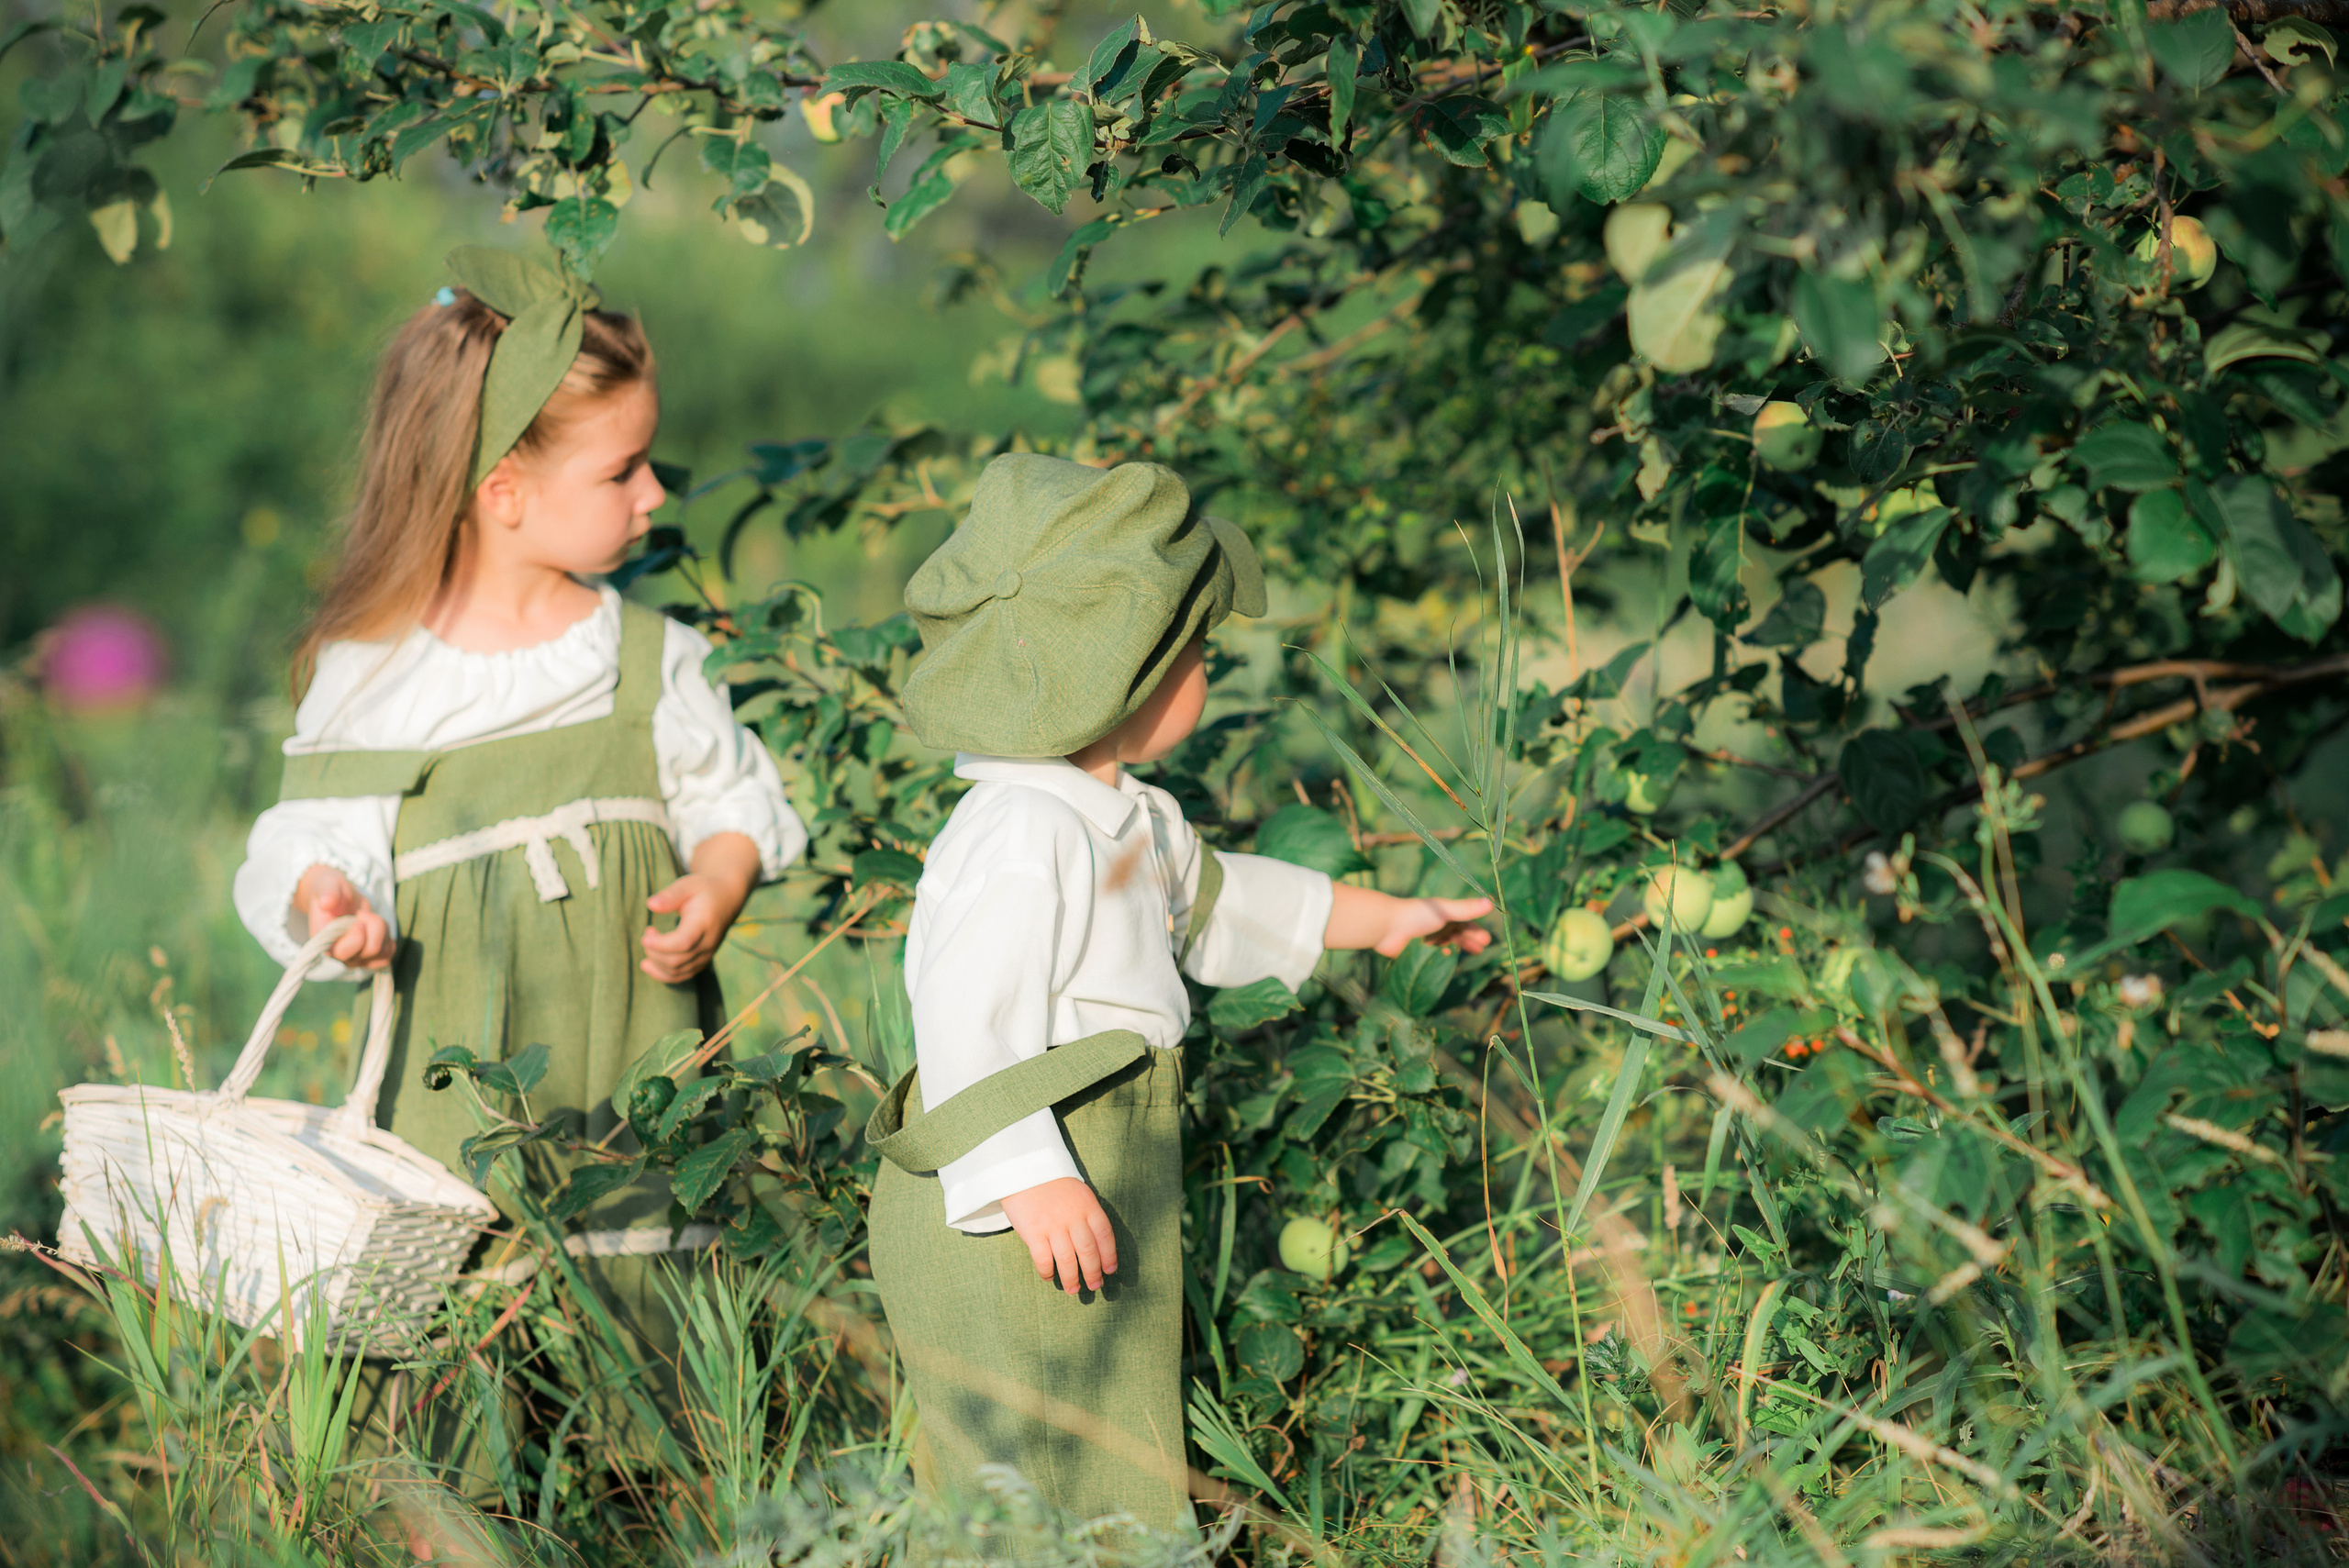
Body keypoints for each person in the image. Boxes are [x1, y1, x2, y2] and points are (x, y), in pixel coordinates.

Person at [230, 249, 806, 1482]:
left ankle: (659, 1505)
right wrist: (330, 903)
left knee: (657, 1370)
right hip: (462, 1106)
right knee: (465, 1369)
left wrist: (716, 879)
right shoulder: (379, 672)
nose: (656, 493)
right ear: (502, 488)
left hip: (638, 1083)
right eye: (622, 469)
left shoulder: (644, 660)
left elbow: (733, 798)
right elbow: (310, 842)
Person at [865, 454, 1492, 1528]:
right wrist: (1028, 1173)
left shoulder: (1123, 815)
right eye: (1198, 650)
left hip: (1099, 1156)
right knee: (1026, 1441)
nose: (1208, 667)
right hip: (1006, 1185)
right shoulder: (1026, 829)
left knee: (1108, 1418)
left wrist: (1381, 920)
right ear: (1126, 668)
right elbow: (965, 1015)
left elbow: (1220, 905)